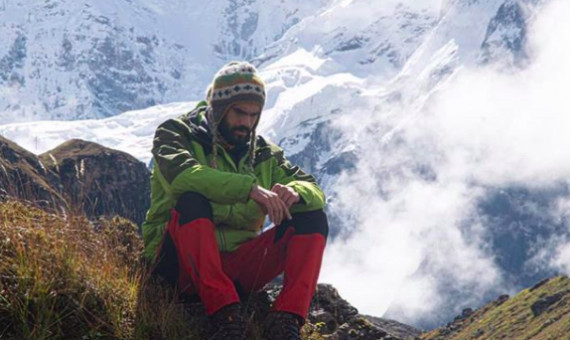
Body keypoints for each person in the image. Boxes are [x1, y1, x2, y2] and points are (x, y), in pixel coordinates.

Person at [141, 61, 329, 340]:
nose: (247, 123)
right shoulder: (174, 134)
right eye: (239, 112)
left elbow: (314, 189)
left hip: (236, 272)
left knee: (312, 218)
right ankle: (225, 316)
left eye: (254, 115)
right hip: (176, 267)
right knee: (192, 201)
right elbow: (183, 177)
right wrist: (249, 189)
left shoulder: (263, 153)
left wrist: (297, 192)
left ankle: (286, 320)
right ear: (218, 108)